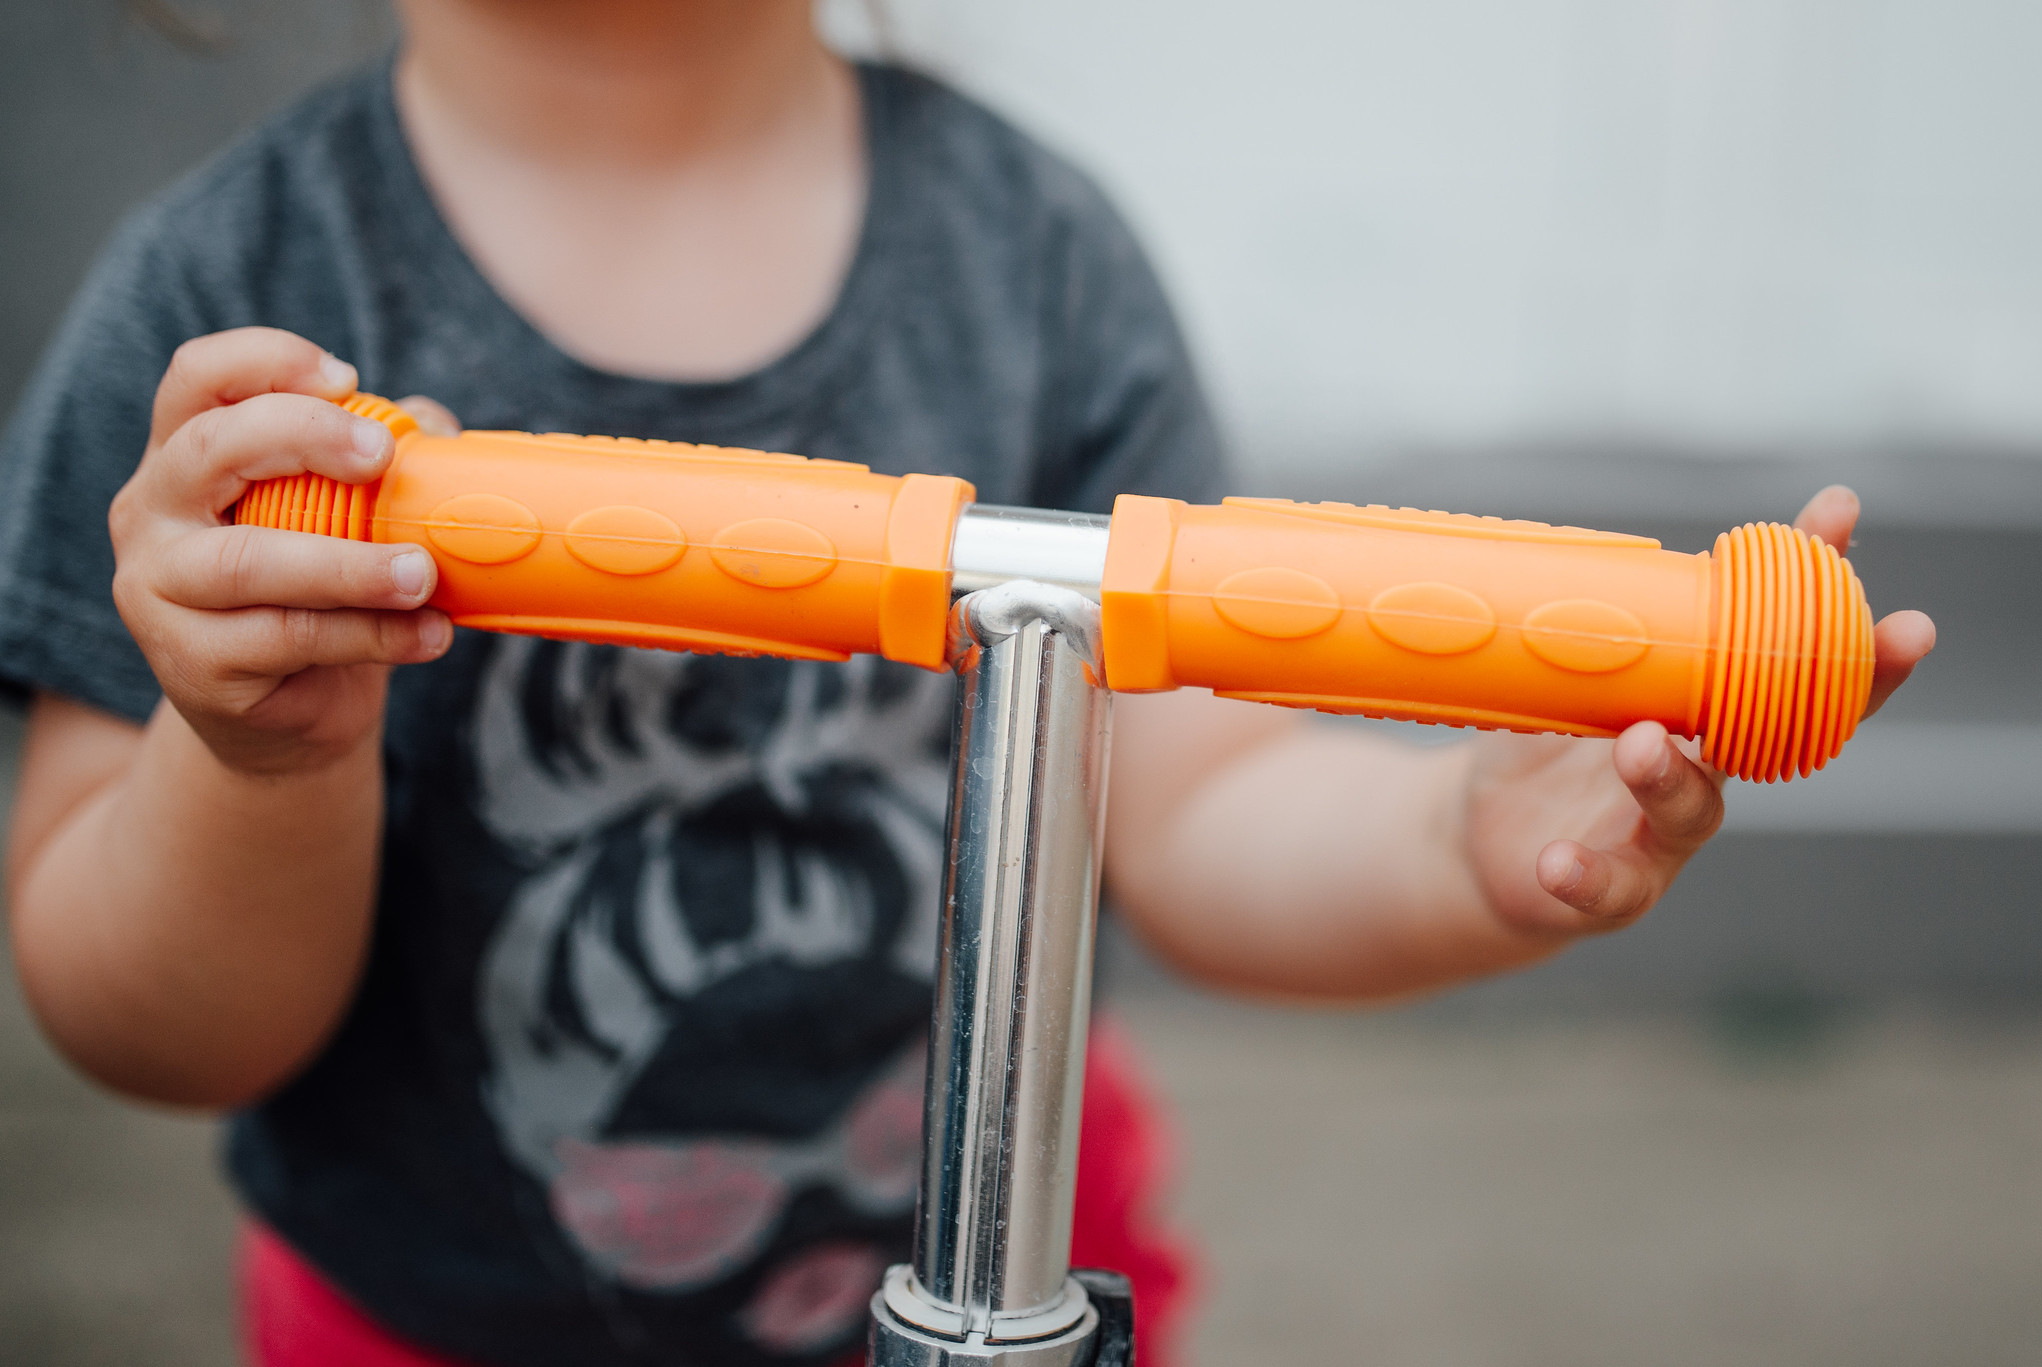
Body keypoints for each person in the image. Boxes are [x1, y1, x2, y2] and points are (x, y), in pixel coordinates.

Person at [0, 3, 1935, 1365]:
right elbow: (147, 1021)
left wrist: (1463, 831)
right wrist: (255, 759)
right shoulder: (229, 315)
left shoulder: (1034, 261)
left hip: (1002, 1273)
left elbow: (1198, 808)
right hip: (431, 1328)